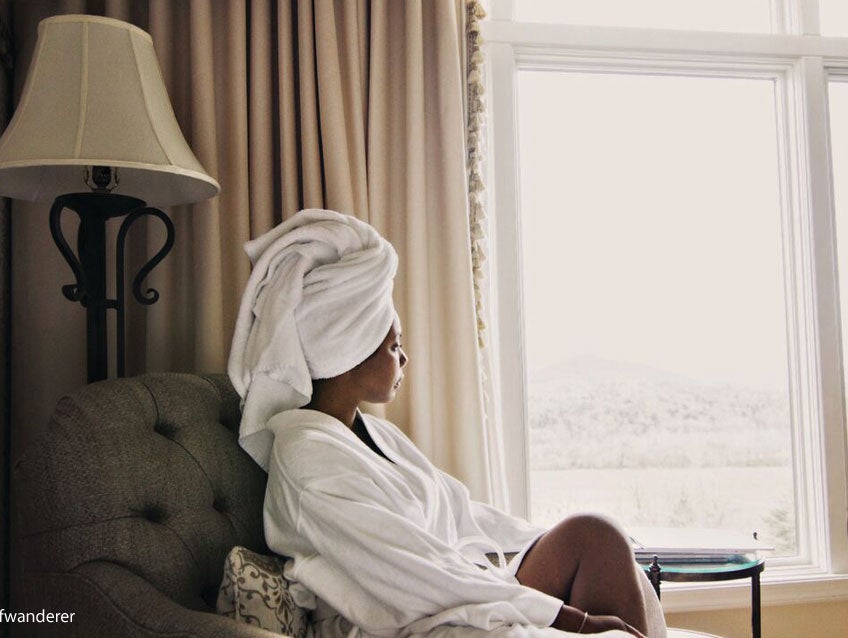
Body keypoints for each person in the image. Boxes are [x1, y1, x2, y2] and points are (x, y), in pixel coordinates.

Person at [229, 209, 665, 638]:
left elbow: (461, 517)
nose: (403, 358)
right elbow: (410, 574)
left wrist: (529, 548)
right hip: (407, 611)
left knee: (596, 536)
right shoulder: (307, 457)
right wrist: (573, 619)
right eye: (393, 344)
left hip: (459, 582)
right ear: (350, 348)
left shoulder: (371, 432)